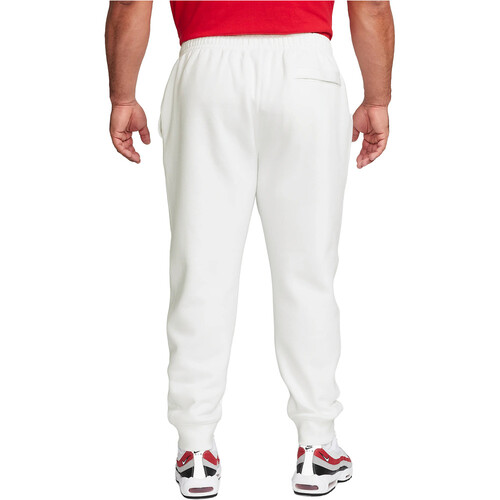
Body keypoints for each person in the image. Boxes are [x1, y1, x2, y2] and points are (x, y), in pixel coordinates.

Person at [105, 1, 394, 497]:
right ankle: (317, 444)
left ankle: (196, 449)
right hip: (306, 69)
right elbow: (370, 5)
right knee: (307, 269)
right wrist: (378, 98)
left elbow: (131, 3)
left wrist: (122, 95)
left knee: (201, 266)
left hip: (206, 69)